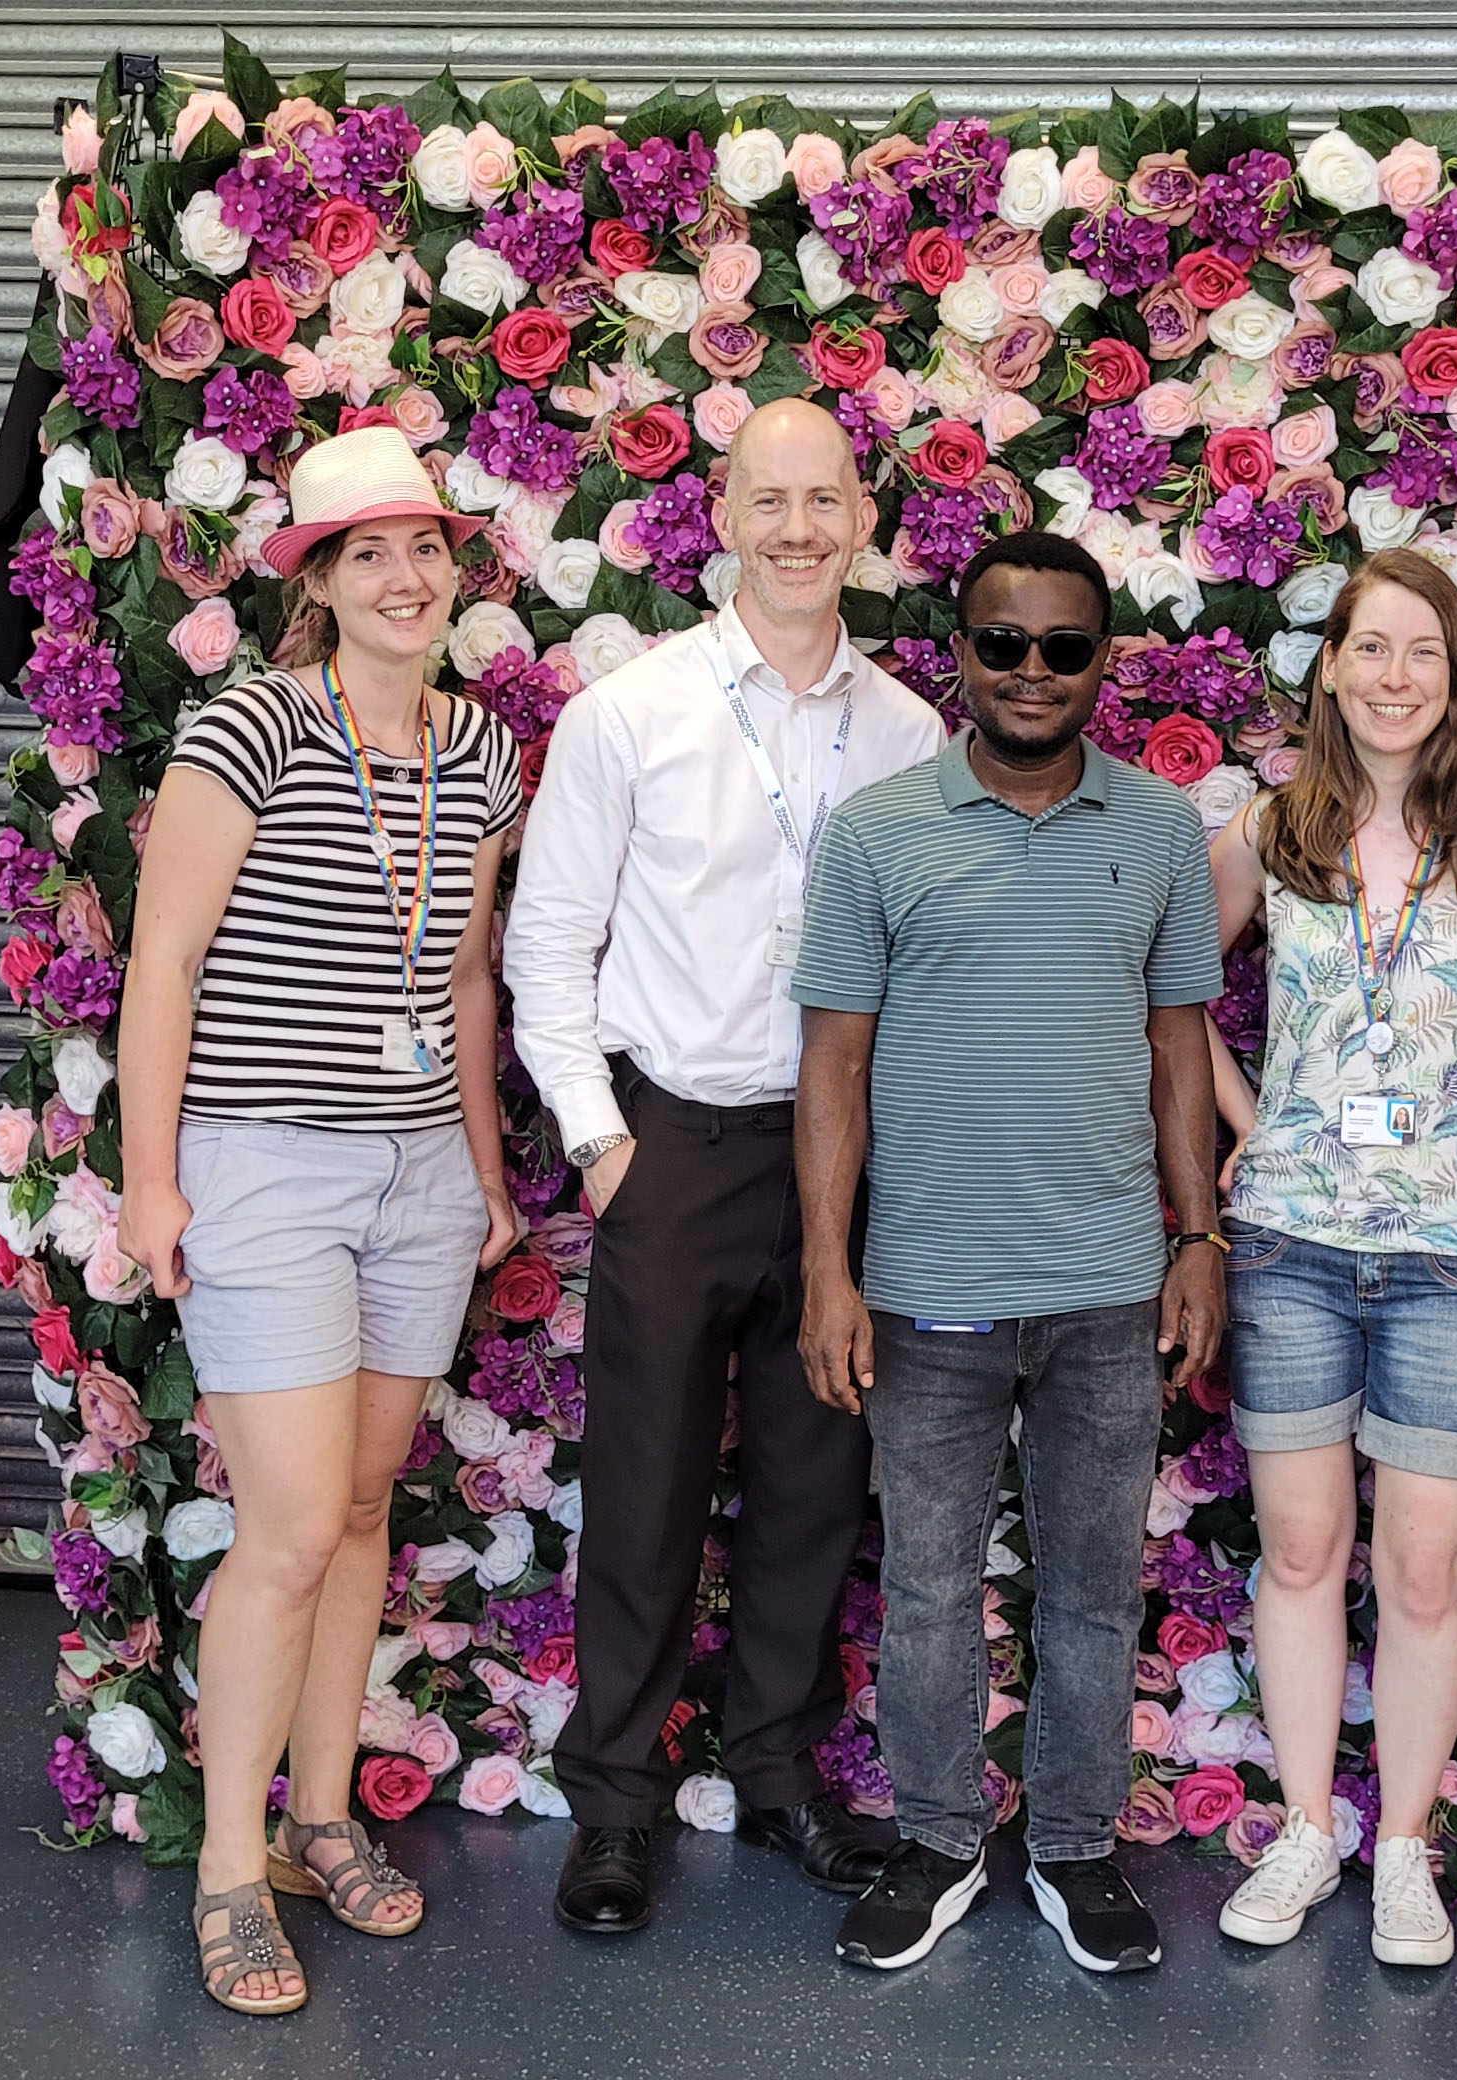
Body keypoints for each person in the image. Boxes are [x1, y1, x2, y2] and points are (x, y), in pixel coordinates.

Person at [502, 398, 944, 1936]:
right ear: (724, 516)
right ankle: (615, 1803)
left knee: (819, 1487)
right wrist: (602, 1143)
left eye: (827, 499)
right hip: (674, 1144)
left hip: (842, 1158)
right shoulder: (637, 710)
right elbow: (550, 934)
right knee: (644, 1491)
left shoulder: (909, 731)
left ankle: (775, 1780)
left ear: (865, 516)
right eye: (773, 499)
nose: (801, 528)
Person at [115, 425, 522, 2014]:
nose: (407, 577)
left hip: (417, 1171)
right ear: (322, 583)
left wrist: (483, 1171)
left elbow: (464, 976)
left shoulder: (482, 751)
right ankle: (231, 1874)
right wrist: (156, 1181)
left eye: (426, 549)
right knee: (285, 1529)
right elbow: (165, 965)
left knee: (360, 1513)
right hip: (268, 1168)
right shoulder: (253, 727)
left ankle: (323, 1817)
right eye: (371, 554)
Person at [790, 530, 1228, 1976]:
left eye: (1064, 647)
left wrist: (1198, 1235)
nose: (1032, 672)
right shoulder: (877, 832)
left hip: (1109, 1286)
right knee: (927, 1591)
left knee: (1095, 1589)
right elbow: (834, 1067)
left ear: (1103, 661)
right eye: (1003, 644)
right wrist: (829, 1272)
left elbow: (1180, 1047)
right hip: (926, 1296)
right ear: (958, 654)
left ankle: (1076, 1851)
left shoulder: (1160, 829)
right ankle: (932, 1843)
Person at [1204, 549, 1457, 1965]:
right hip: (1291, 1238)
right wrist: (1247, 1120)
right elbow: (1163, 997)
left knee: (1422, 1573)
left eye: (1425, 652)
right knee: (1301, 1550)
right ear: (1332, 667)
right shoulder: (1267, 829)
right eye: (1372, 650)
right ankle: (1304, 1828)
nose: (1396, 677)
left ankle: (1400, 1845)